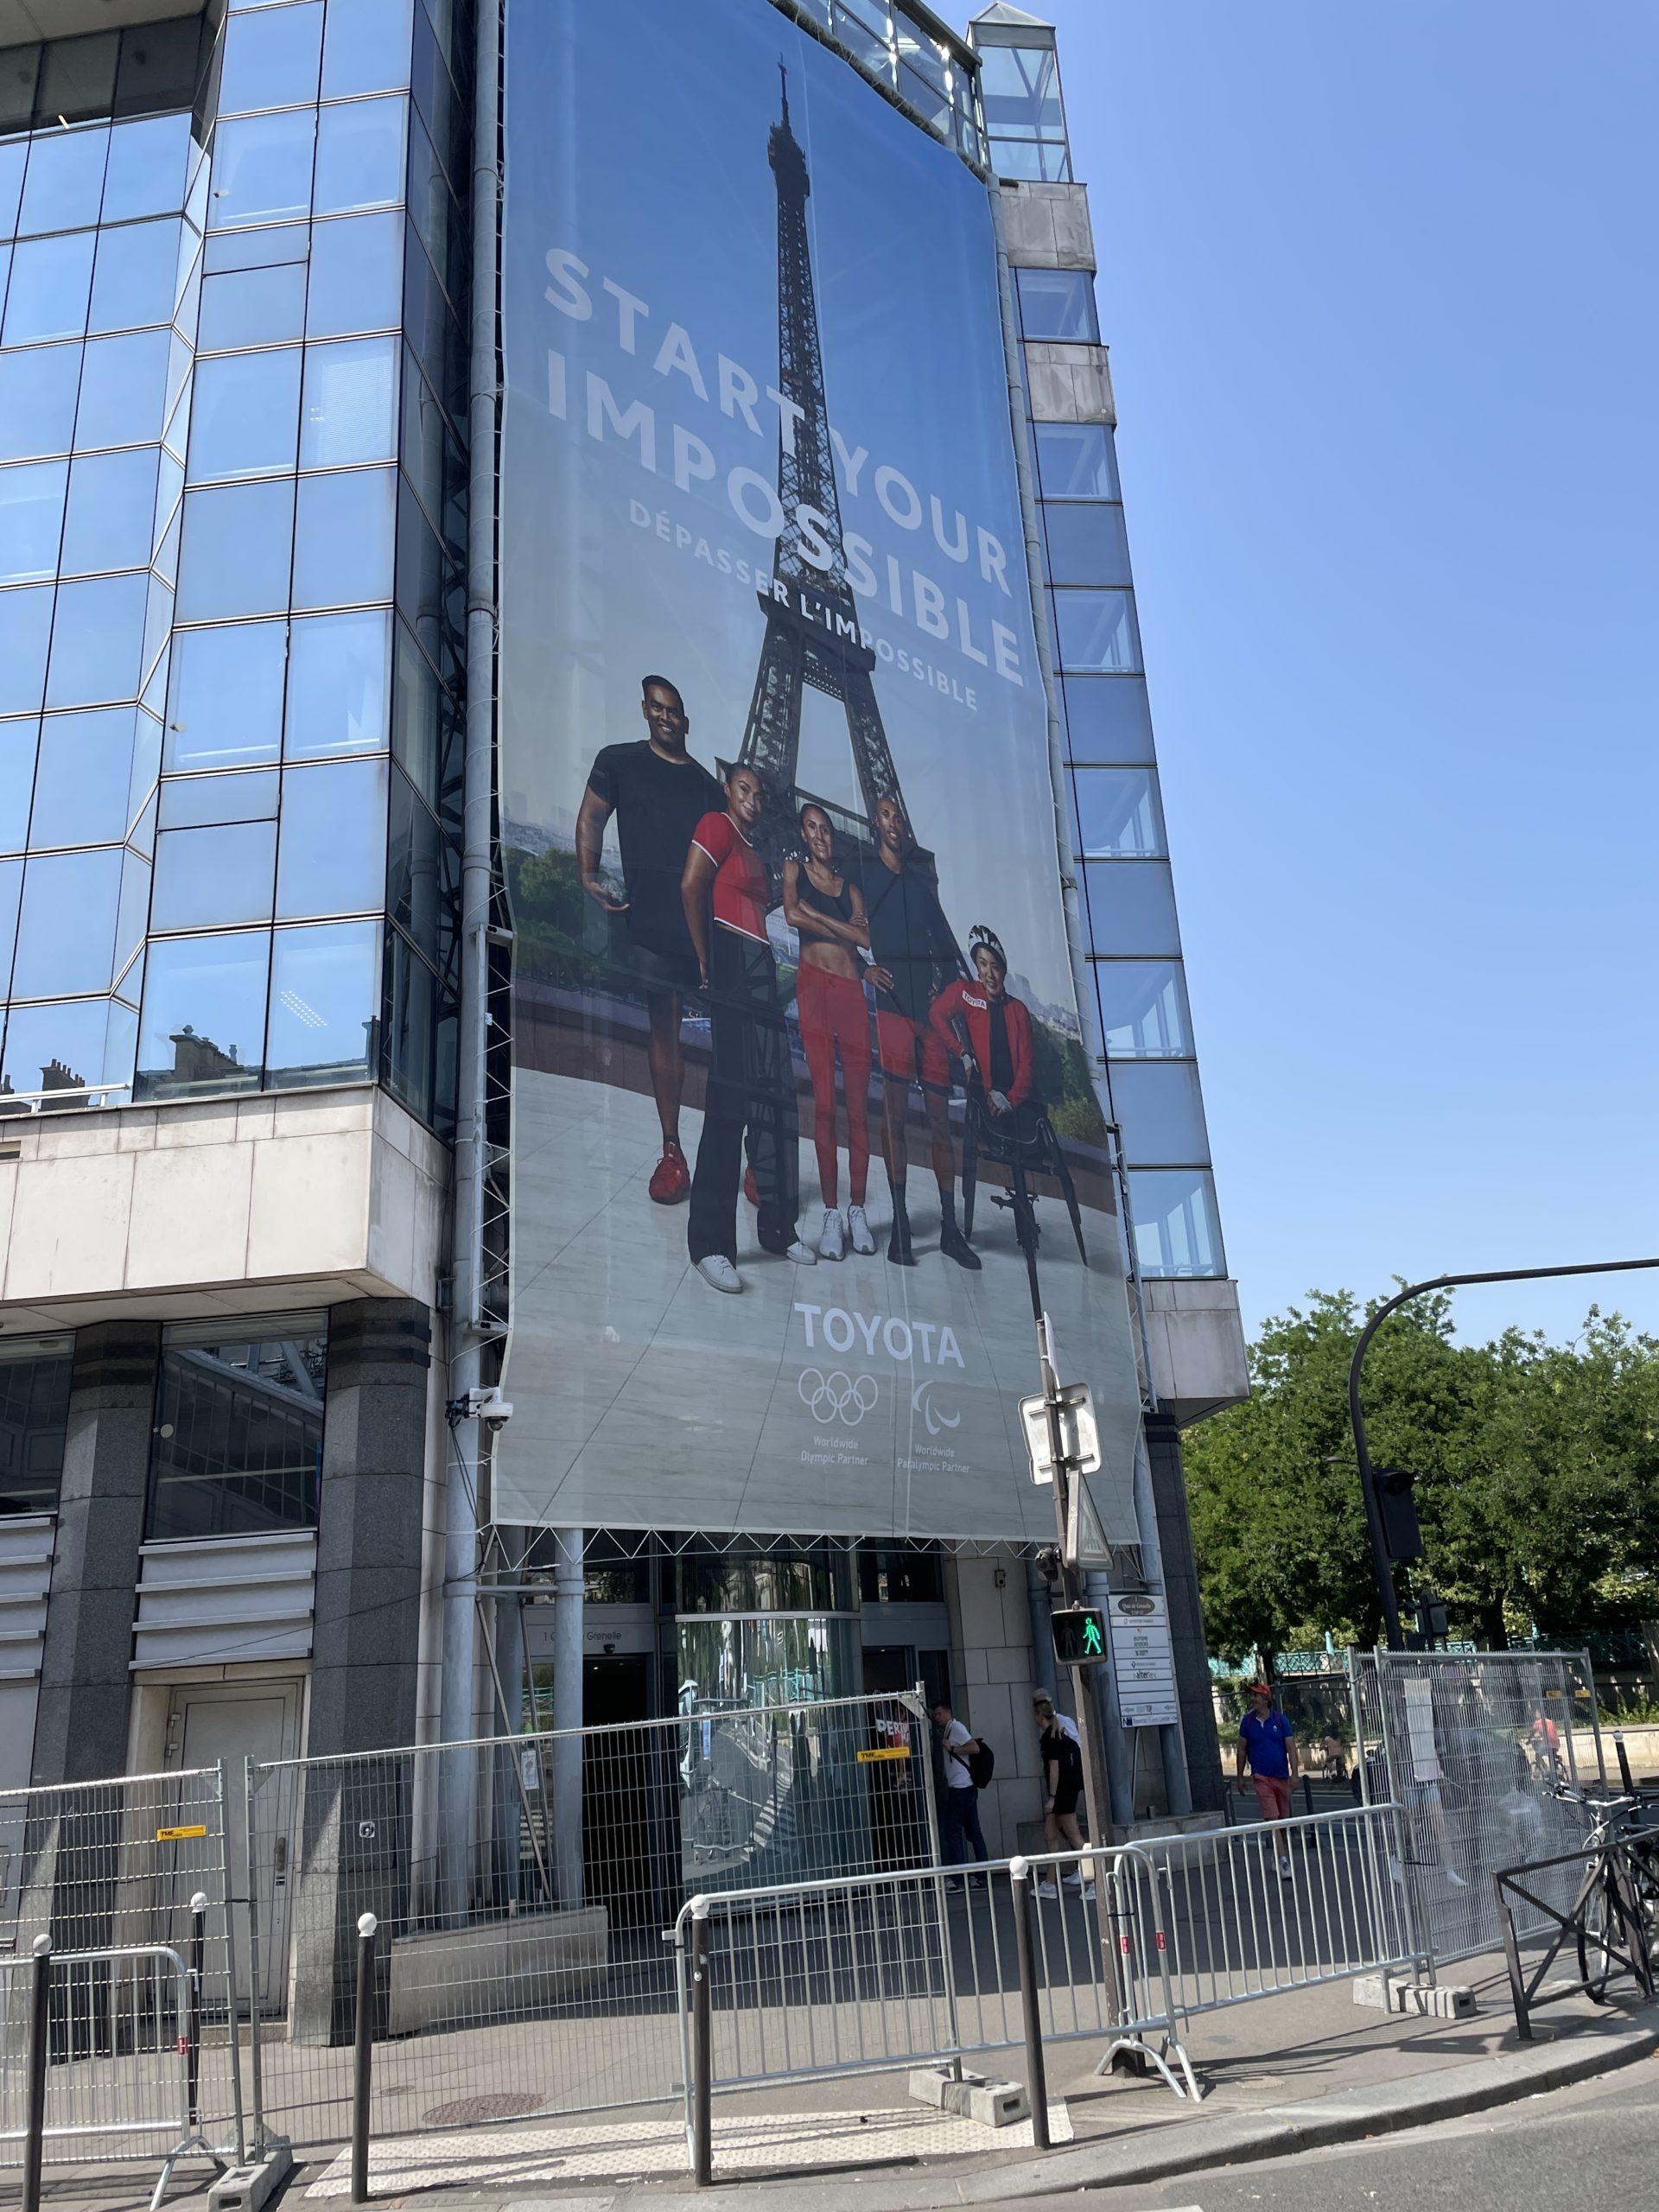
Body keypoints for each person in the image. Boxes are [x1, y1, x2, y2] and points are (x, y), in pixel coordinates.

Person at [575, 677, 722, 1205]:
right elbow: (592, 815)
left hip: (705, 924)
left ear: (686, 718)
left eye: (674, 710)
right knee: (666, 1030)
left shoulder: (710, 787)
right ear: (645, 710)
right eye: (657, 708)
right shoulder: (618, 760)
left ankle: (742, 1157)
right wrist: (588, 873)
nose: (666, 717)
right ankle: (672, 1149)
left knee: (731, 1043)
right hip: (656, 921)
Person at [680, 765, 815, 1293]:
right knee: (730, 1103)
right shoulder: (716, 824)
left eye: (759, 794)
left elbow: (766, 904)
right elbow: (691, 884)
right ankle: (710, 1244)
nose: (754, 800)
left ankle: (778, 1231)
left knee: (777, 1099)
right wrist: (704, 958)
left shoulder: (755, 851)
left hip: (760, 963)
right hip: (732, 957)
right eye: (745, 790)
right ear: (727, 792)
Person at [863, 795, 977, 1269]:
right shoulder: (864, 875)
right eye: (886, 816)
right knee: (895, 1120)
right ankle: (901, 1223)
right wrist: (859, 968)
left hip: (926, 1016)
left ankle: (949, 1228)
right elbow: (837, 919)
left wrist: (942, 995)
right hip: (891, 1008)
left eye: (899, 817)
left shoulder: (918, 885)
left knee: (937, 1125)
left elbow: (947, 952)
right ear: (876, 824)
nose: (894, 823)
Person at [781, 804, 875, 1262]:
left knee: (858, 1106)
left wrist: (820, 919)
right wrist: (843, 930)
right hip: (813, 987)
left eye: (826, 829)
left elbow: (864, 943)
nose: (820, 835)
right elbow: (790, 915)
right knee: (823, 1103)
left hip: (851, 995)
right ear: (803, 834)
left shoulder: (851, 889)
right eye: (812, 828)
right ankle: (832, 1213)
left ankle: (858, 1208)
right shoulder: (792, 868)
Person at [931, 925, 1038, 1150]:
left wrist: (1011, 1100)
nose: (989, 973)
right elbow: (936, 1015)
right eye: (982, 964)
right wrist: (961, 1052)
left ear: (1004, 971)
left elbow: (1027, 1065)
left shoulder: (1018, 1011)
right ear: (976, 968)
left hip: (1015, 1104)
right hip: (985, 1100)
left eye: (995, 966)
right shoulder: (966, 992)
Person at [1236, 1682, 1299, 1878]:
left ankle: (1278, 1853)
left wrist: (1294, 1773)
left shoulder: (1280, 1721)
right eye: (1251, 1696)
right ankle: (1283, 1862)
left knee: (1283, 1821)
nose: (1252, 1699)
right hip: (1261, 1777)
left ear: (1265, 1698)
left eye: (1256, 1695)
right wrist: (1240, 1777)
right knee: (1272, 1818)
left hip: (1281, 1776)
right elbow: (1241, 1750)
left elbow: (1291, 1748)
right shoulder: (1247, 1723)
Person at [1033, 1697, 1094, 1899]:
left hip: (1062, 1793)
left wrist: (1052, 1797)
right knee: (1050, 1836)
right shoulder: (1059, 1735)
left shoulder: (1051, 1738)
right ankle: (1050, 1884)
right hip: (1065, 1791)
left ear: (1039, 1715)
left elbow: (1054, 1769)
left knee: (1075, 1836)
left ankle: (1097, 1881)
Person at [931, 1699, 988, 1885]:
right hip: (963, 1788)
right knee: (973, 1831)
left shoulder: (956, 1728)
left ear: (948, 1712)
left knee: (953, 1831)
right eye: (935, 1715)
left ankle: (958, 1878)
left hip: (961, 1789)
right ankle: (981, 1875)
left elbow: (974, 1747)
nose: (937, 1718)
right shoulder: (949, 1729)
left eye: (939, 1714)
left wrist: (953, 1748)